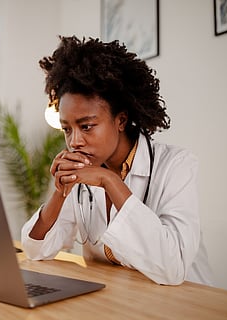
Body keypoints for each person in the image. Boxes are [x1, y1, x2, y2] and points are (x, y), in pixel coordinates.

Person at [21, 36, 213, 286]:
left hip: (187, 303)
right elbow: (36, 251)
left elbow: (173, 268)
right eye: (67, 129)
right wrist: (60, 193)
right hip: (120, 300)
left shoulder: (176, 165)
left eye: (86, 126)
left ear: (120, 121)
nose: (75, 141)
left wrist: (110, 181)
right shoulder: (84, 172)